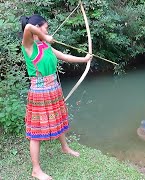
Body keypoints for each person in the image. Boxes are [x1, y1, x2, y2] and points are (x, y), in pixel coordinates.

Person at [20, 14, 92, 180]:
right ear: (38, 28)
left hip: (53, 88)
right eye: (45, 27)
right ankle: (36, 169)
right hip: (39, 91)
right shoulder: (28, 45)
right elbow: (28, 29)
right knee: (36, 130)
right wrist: (44, 36)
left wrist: (84, 59)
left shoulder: (44, 45)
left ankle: (65, 147)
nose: (47, 30)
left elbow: (64, 56)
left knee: (58, 118)